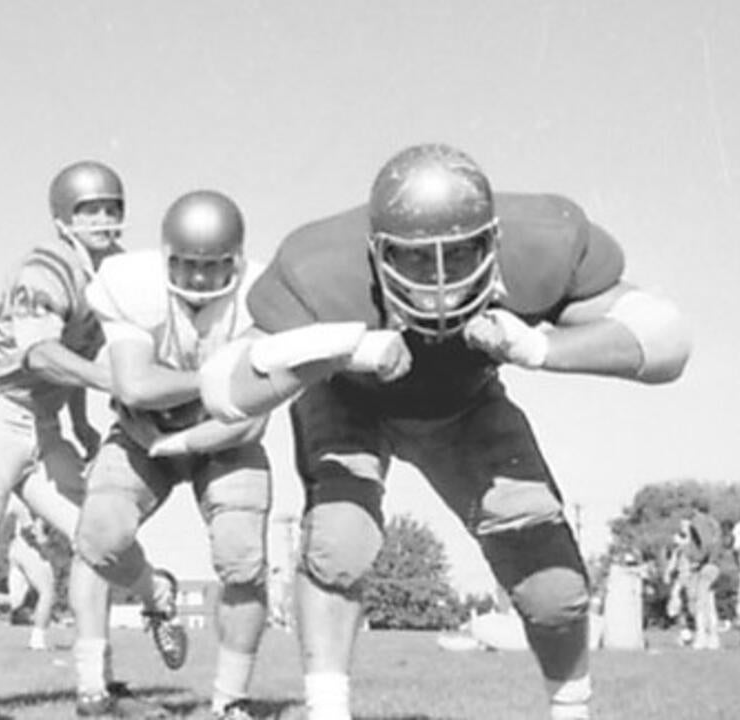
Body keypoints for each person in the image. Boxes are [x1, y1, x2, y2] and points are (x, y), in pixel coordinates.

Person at [200, 143, 691, 720]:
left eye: (459, 256)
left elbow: (667, 338)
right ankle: (327, 710)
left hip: (464, 404)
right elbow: (224, 387)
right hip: (349, 398)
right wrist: (344, 348)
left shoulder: (543, 240)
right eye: (413, 260)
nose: (437, 278)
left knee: (551, 580)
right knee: (340, 541)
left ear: (493, 242)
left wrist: (539, 347)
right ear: (375, 253)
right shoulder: (322, 268)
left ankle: (570, 709)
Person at [0, 161, 185, 718]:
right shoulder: (44, 266)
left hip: (44, 423)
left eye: (111, 208)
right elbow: (42, 354)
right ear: (61, 218)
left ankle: (144, 618)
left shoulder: (115, 272)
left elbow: (80, 353)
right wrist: (111, 384)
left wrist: (82, 419)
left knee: (98, 537)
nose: (102, 218)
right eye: (88, 209)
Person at [76, 190, 272, 720]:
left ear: (236, 259)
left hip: (226, 439)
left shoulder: (264, 294)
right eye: (188, 265)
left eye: (214, 267)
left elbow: (252, 415)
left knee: (241, 559)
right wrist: (218, 381)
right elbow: (136, 387)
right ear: (166, 257)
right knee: (100, 534)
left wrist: (188, 423)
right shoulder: (129, 284)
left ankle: (231, 701)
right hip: (146, 436)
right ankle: (154, 589)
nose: (201, 279)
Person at [4, 495, 57, 651]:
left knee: (16, 601)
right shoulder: (40, 496)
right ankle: (37, 640)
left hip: (16, 547)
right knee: (47, 592)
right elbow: (37, 530)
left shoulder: (21, 495)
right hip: (29, 548)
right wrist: (42, 542)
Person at [683, 501, 723, 649]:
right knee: (710, 602)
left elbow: (705, 543)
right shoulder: (715, 523)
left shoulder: (698, 522)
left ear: (695, 509)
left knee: (700, 603)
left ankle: (702, 637)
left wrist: (698, 560)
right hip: (715, 564)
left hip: (704, 565)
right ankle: (714, 638)